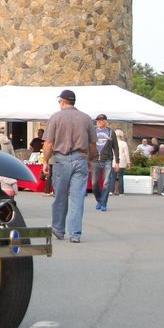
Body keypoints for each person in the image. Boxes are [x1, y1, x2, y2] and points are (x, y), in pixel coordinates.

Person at [42, 89, 94, 243]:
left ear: (62, 101)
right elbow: (92, 144)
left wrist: (45, 161)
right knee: (78, 198)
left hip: (61, 159)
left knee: (60, 196)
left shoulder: (55, 118)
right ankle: (75, 234)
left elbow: (48, 143)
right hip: (81, 158)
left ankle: (58, 229)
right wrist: (90, 160)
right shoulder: (86, 119)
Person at [90, 113, 120, 211]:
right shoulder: (93, 131)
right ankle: (99, 200)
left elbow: (115, 147)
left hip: (107, 159)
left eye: (101, 120)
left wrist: (117, 161)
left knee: (106, 182)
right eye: (98, 120)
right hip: (95, 160)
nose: (99, 122)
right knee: (94, 183)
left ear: (106, 122)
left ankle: (103, 203)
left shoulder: (111, 132)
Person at [113, 128, 130, 195]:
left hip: (113, 161)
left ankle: (111, 191)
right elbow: (126, 153)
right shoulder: (124, 143)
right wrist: (128, 162)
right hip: (122, 161)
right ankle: (121, 192)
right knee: (120, 177)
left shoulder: (112, 143)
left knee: (113, 177)